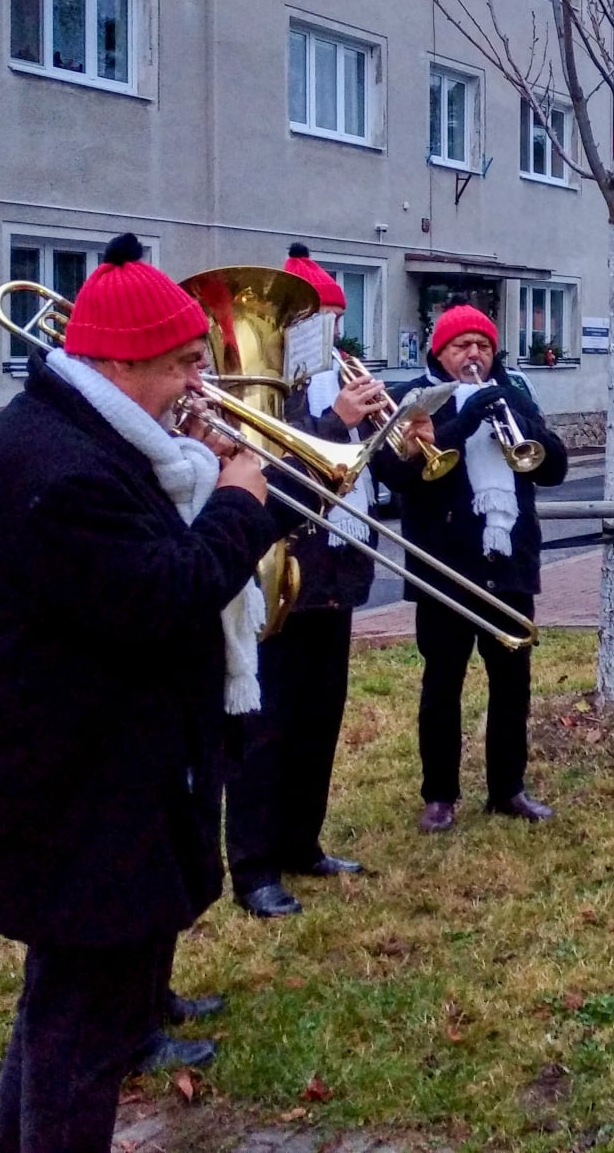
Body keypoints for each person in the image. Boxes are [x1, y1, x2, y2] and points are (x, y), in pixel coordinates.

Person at [0, 234, 287, 1153]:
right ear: (119, 361)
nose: (199, 384)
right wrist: (239, 503)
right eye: (184, 363)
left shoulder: (89, 437)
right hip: (77, 799)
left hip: (90, 787)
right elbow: (163, 595)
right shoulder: (60, 466)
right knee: (81, 1042)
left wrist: (240, 492)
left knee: (60, 1016)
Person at [222, 245, 389, 919]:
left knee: (321, 720)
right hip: (278, 580)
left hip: (336, 578)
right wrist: (338, 422)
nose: (330, 335)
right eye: (317, 319)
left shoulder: (341, 385)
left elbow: (381, 480)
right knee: (266, 730)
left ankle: (301, 841)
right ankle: (254, 866)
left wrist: (401, 433)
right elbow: (274, 473)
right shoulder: (265, 391)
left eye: (335, 319)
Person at [374, 303, 568, 834]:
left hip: (507, 563)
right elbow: (396, 472)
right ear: (440, 352)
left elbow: (554, 467)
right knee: (443, 685)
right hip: (445, 566)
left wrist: (518, 417)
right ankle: (439, 796)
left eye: (483, 345)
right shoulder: (417, 400)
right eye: (463, 346)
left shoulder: (514, 392)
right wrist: (461, 420)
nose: (475, 355)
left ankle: (509, 788)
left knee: (513, 684)